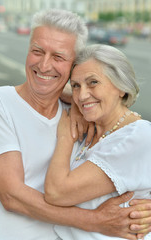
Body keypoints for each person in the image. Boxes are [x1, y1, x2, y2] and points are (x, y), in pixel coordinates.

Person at [0, 9, 150, 240]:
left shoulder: (84, 117)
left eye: (58, 57)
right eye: (37, 51)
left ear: (71, 64)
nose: (44, 65)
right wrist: (96, 221)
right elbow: (11, 196)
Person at [45, 44, 151, 240]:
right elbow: (43, 85)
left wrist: (65, 138)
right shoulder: (92, 127)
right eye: (76, 85)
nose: (82, 94)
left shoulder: (137, 136)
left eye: (93, 82)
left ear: (121, 87)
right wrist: (77, 104)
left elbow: (56, 193)